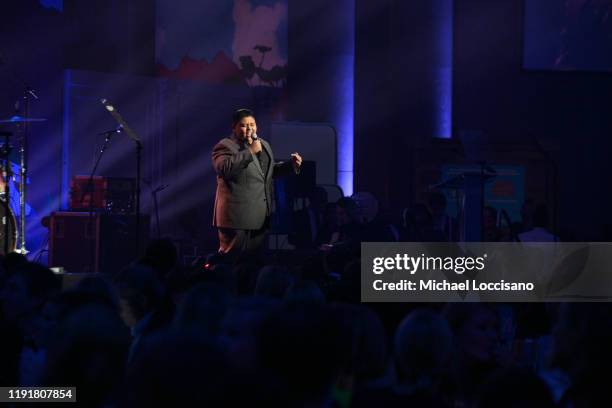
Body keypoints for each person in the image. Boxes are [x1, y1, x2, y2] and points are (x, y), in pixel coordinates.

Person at [212, 109, 302, 260]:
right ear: (234, 127)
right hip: (236, 218)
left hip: (260, 218)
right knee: (231, 261)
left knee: (253, 264)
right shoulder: (225, 146)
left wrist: (291, 166)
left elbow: (267, 172)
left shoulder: (263, 145)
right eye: (243, 125)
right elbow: (224, 169)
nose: (249, 129)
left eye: (252, 124)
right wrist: (250, 152)